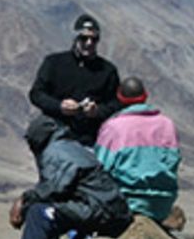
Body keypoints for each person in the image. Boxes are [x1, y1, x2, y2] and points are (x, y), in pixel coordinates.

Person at [7, 115, 132, 239]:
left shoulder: (56, 151)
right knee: (51, 209)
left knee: (39, 212)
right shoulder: (69, 146)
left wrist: (23, 201)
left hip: (99, 209)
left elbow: (53, 188)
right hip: (106, 207)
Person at [94, 77, 181, 221]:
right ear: (145, 95)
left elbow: (100, 166)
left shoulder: (114, 127)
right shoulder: (167, 124)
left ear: (119, 98)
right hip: (163, 202)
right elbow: (173, 162)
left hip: (126, 200)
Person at [28, 14, 123, 146]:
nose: (89, 43)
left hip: (91, 139)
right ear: (75, 38)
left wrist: (97, 111)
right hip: (55, 135)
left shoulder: (107, 71)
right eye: (84, 38)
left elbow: (116, 104)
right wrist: (59, 106)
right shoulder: (54, 63)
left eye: (94, 39)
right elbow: (36, 94)